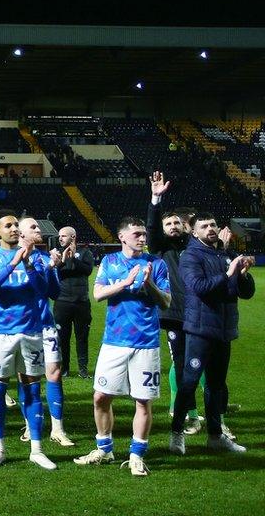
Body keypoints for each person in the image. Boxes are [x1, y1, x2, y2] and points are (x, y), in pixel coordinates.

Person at [74, 217, 170, 477]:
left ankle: (136, 455)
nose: (142, 238)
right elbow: (98, 294)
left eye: (144, 234)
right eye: (137, 234)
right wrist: (125, 284)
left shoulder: (156, 264)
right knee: (100, 397)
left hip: (146, 343)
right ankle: (104, 448)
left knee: (143, 401)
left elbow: (166, 302)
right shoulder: (110, 262)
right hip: (114, 341)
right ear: (122, 237)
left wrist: (149, 284)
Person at [169, 213, 255, 455]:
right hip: (200, 329)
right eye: (204, 226)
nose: (210, 229)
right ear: (194, 232)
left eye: (213, 225)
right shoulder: (191, 256)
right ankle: (176, 433)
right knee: (189, 382)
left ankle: (215, 436)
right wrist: (229, 274)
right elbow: (198, 288)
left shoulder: (225, 255)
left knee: (216, 385)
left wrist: (244, 274)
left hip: (224, 330)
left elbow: (245, 293)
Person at [0, 209, 56, 470]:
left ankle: (36, 449)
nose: (14, 229)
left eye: (16, 225)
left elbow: (44, 291)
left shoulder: (36, 257)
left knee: (33, 391)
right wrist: (13, 264)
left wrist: (29, 264)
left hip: (32, 332)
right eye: (8, 225)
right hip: (1, 334)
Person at [146, 172, 209, 435]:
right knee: (182, 364)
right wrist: (155, 200)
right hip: (173, 315)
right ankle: (189, 413)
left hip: (199, 313)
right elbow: (151, 229)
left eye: (176, 223)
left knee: (198, 363)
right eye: (167, 223)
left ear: (184, 226)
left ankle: (195, 411)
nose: (172, 226)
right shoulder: (161, 248)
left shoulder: (194, 247)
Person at [18, 216, 74, 447]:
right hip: (21, 326)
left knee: (54, 374)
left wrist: (53, 268)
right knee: (27, 379)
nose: (38, 229)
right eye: (33, 227)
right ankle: (31, 425)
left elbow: (53, 292)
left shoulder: (44, 257)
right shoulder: (10, 258)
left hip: (46, 324)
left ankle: (58, 429)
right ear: (21, 234)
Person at [53, 226, 94, 379]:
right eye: (59, 236)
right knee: (62, 338)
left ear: (73, 237)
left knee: (82, 337)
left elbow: (88, 270)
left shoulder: (85, 253)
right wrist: (62, 260)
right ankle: (64, 369)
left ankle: (83, 370)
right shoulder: (56, 254)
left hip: (81, 302)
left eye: (64, 236)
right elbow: (56, 272)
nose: (60, 238)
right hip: (62, 302)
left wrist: (74, 259)